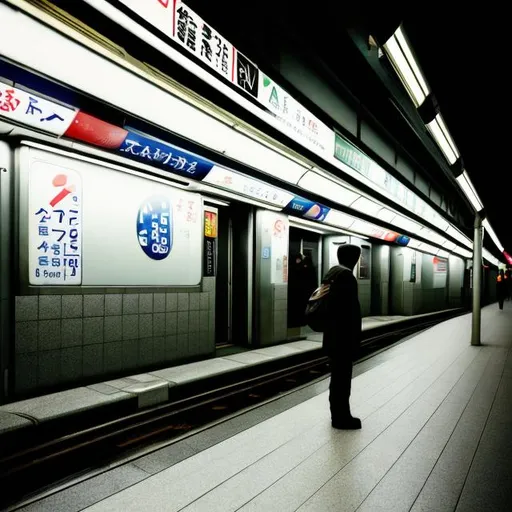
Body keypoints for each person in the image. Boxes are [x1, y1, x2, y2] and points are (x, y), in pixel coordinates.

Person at [322, 244, 362, 430]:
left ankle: (336, 415)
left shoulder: (333, 273)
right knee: (342, 380)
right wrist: (355, 340)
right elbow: (350, 314)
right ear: (354, 258)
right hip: (343, 339)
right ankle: (341, 418)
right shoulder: (347, 277)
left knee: (336, 378)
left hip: (332, 336)